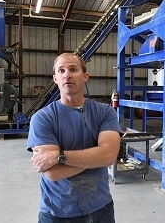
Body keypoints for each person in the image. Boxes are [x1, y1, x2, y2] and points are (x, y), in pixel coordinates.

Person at [27, 52, 122, 223]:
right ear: (55, 78)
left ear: (85, 76)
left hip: (101, 209)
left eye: (73, 69)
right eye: (61, 71)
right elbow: (52, 173)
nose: (67, 75)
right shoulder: (42, 118)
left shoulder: (104, 112)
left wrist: (58, 156)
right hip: (58, 212)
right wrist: (95, 157)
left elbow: (109, 156)